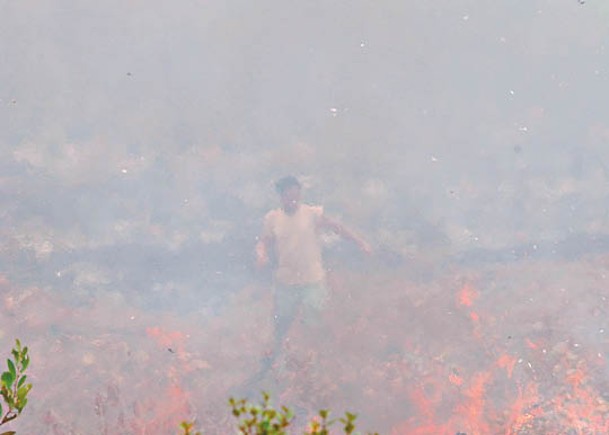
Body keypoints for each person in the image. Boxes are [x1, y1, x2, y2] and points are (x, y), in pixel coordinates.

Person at [254, 175, 371, 376]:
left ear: (299, 194)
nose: (292, 199)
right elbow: (264, 241)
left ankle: (315, 362)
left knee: (313, 317)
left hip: (312, 279)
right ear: (281, 196)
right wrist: (261, 255)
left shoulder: (312, 214)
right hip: (286, 280)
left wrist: (360, 242)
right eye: (288, 196)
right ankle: (276, 361)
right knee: (282, 320)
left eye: (295, 195)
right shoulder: (273, 218)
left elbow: (337, 227)